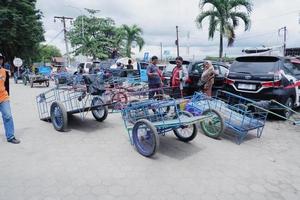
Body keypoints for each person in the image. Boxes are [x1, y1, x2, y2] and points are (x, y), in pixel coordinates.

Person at [0, 53, 20, 144]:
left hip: (4, 97)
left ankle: (10, 136)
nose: (0, 60)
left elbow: (6, 85)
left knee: (8, 116)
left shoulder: (4, 71)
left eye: (1, 59)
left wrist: (8, 97)